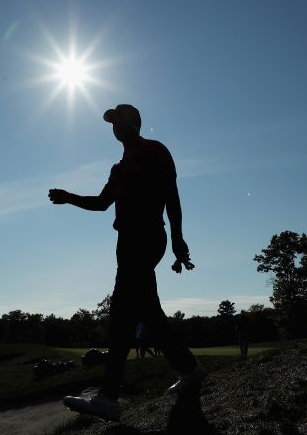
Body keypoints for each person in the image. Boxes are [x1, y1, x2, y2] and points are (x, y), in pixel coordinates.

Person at [49, 104, 206, 422]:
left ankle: (108, 395)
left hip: (148, 236)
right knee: (149, 314)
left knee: (122, 311)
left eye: (118, 120)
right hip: (126, 242)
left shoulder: (154, 150)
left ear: (134, 123)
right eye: (111, 122)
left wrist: (177, 238)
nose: (114, 126)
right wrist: (69, 197)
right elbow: (101, 203)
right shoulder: (118, 169)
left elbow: (171, 195)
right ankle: (190, 369)